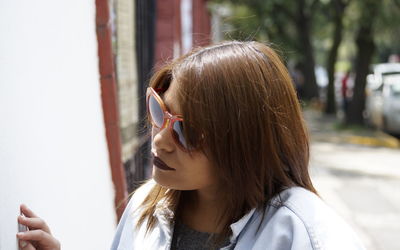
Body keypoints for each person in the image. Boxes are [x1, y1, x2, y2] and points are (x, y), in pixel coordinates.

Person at [17, 41, 365, 250]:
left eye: (187, 132)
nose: (159, 140)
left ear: (244, 142)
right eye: (159, 110)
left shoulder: (307, 236)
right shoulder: (146, 207)